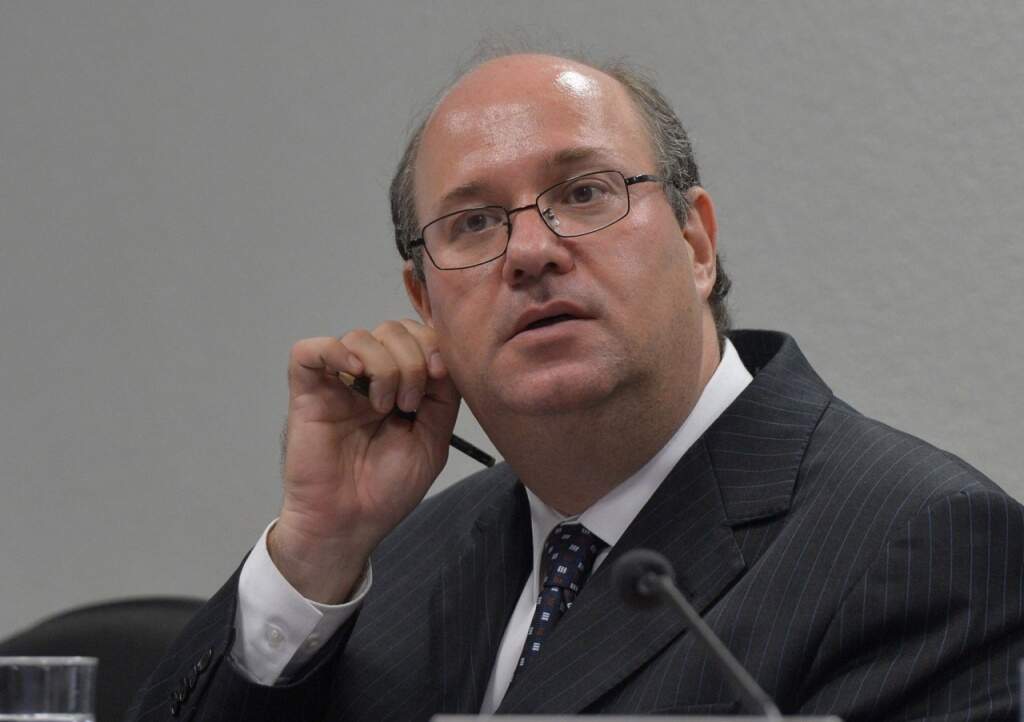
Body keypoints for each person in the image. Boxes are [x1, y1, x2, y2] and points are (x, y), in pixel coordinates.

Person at [126, 52, 1024, 721]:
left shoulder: (923, 544)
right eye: (474, 222)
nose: (529, 251)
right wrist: (316, 548)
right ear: (425, 302)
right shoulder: (395, 560)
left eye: (586, 193)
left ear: (696, 243)